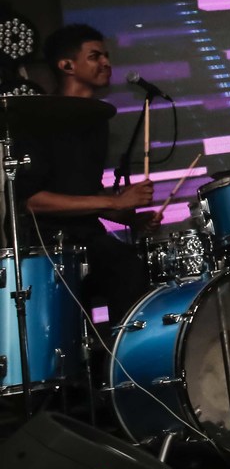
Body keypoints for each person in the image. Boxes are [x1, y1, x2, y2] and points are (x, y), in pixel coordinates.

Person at [17, 24, 159, 336]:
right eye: (95, 56)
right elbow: (31, 201)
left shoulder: (96, 119)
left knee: (132, 268)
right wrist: (115, 202)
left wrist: (129, 218)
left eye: (106, 56)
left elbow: (84, 191)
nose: (106, 63)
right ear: (66, 65)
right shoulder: (37, 118)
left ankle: (122, 356)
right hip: (48, 245)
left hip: (88, 237)